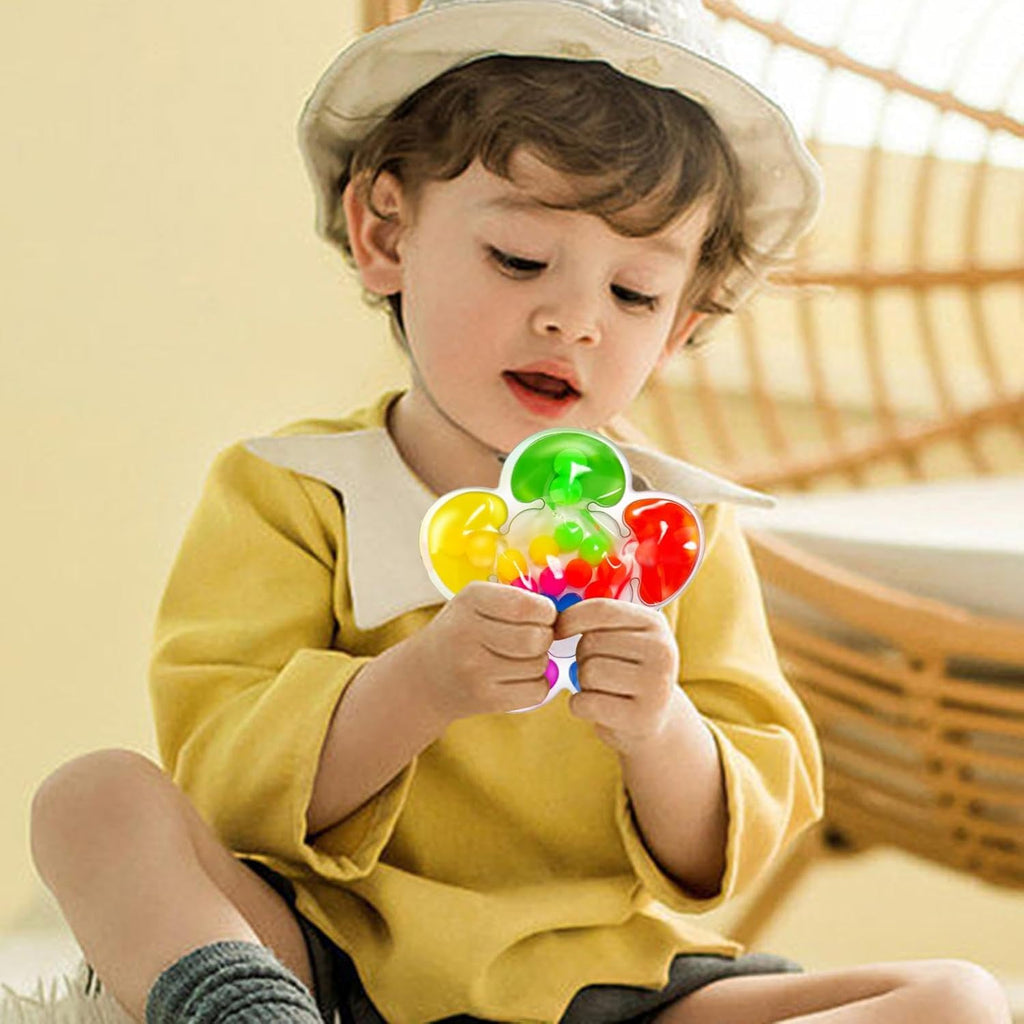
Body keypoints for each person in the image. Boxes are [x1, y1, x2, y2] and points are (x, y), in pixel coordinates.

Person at [28, 0, 1012, 1022]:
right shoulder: (290, 492)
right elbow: (230, 785)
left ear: (681, 326)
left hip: (613, 986)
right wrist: (419, 683)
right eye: (520, 260)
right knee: (93, 800)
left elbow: (732, 838)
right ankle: (245, 1012)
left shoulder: (677, 531)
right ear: (384, 233)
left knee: (956, 997)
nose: (573, 320)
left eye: (633, 294)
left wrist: (657, 728)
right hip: (332, 965)